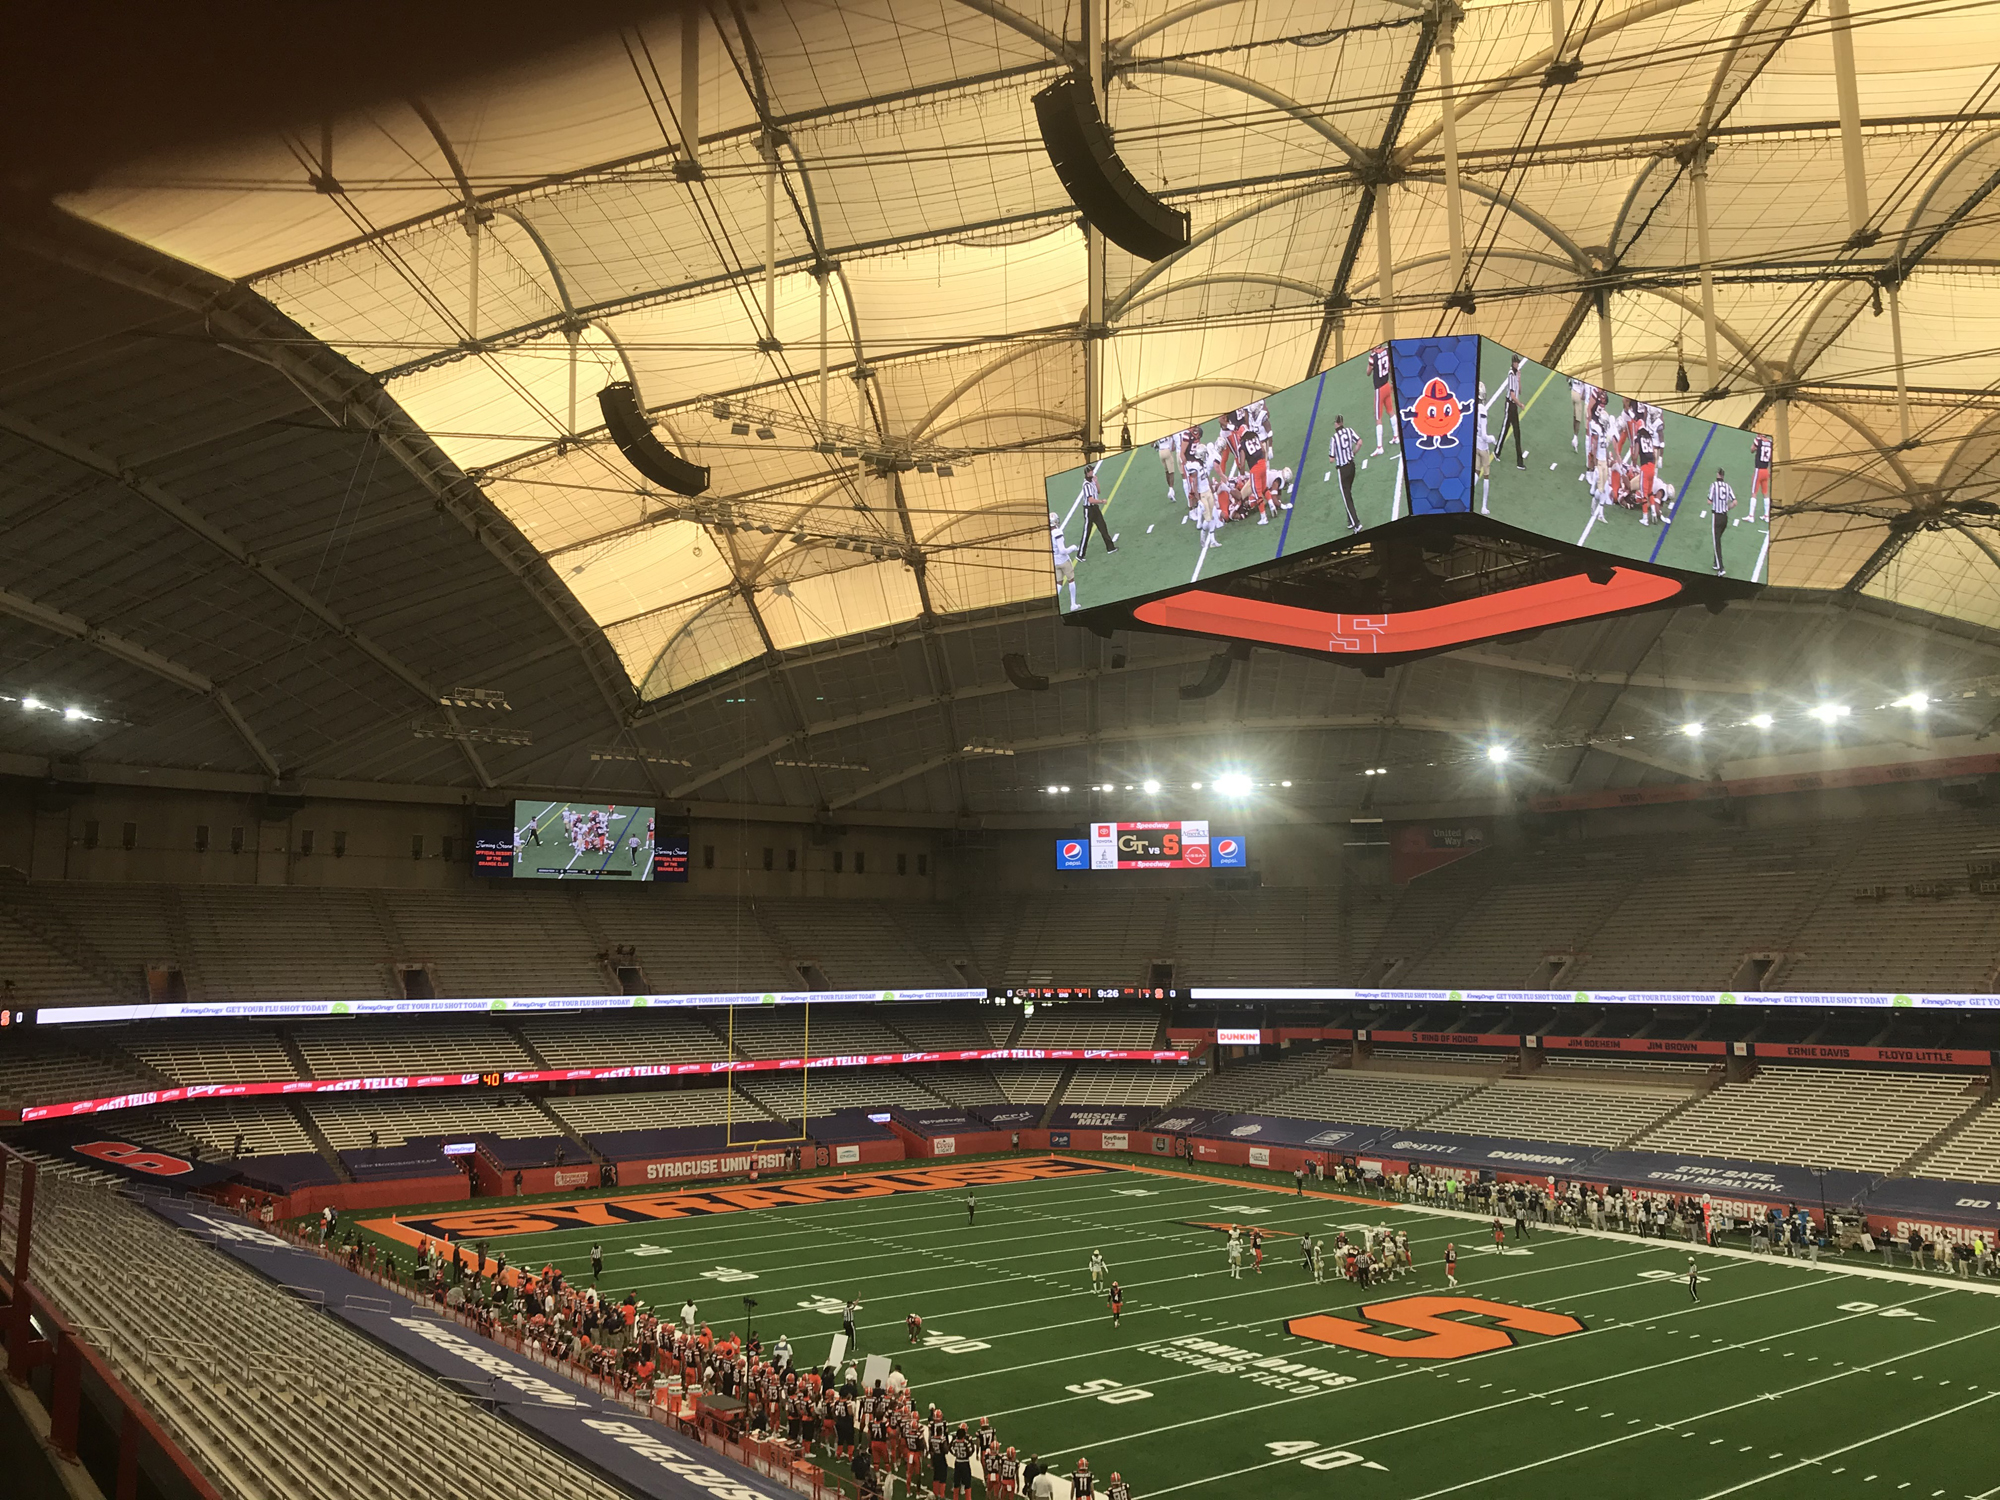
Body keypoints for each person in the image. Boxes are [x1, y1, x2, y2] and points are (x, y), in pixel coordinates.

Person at [1073, 462, 1117, 558]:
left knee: (1103, 527)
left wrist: (1096, 482)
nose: (1093, 472)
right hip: (1089, 510)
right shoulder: (1086, 485)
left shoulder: (1092, 481)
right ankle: (1080, 555)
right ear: (1087, 473)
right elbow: (1090, 500)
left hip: (1095, 508)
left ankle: (1110, 547)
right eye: (1091, 471)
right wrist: (1101, 501)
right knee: (1087, 532)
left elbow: (1098, 491)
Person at [1327, 415, 1362, 531]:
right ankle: (1350, 521)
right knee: (1348, 493)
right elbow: (1359, 442)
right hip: (1352, 466)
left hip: (1343, 470)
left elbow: (1331, 459)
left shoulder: (1334, 438)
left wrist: (1338, 454)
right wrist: (1353, 453)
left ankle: (1356, 524)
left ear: (1336, 424)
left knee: (1347, 498)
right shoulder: (1349, 431)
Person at [1707, 467, 1736, 574]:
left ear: (1718, 475)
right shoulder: (1728, 486)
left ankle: (1721, 568)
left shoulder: (1714, 485)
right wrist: (1727, 507)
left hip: (1717, 517)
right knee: (1718, 539)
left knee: (1716, 542)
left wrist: (1714, 500)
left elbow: (1709, 501)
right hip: (1725, 517)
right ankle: (1715, 563)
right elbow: (1735, 502)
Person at [949, 1422, 976, 1500]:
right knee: (967, 1484)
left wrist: (955, 1454)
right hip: (965, 1463)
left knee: (956, 1483)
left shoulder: (954, 1441)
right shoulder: (966, 1442)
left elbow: (950, 1448)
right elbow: (971, 1451)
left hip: (957, 1462)